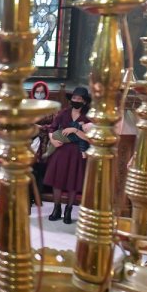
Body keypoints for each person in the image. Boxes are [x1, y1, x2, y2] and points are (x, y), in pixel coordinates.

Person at [42, 85, 92, 224]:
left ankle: (68, 210)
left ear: (84, 101)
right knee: (57, 180)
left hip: (77, 152)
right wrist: (53, 139)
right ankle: (56, 208)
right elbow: (52, 128)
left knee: (73, 182)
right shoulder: (64, 112)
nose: (76, 100)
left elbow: (90, 138)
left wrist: (75, 130)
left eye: (79, 98)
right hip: (61, 150)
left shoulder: (89, 116)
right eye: (74, 98)